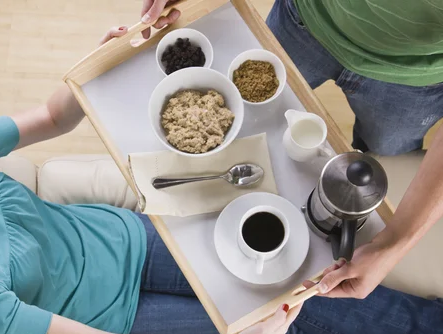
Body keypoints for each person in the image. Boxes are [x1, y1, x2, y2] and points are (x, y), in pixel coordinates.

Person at [0, 25, 443, 334]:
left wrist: (101, 55)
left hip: (133, 236)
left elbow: (56, 117)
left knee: (297, 267)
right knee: (299, 321)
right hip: (122, 321)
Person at [141, 0, 443, 300]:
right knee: (265, 109)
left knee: (383, 150)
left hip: (413, 83)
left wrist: (393, 244)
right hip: (307, 19)